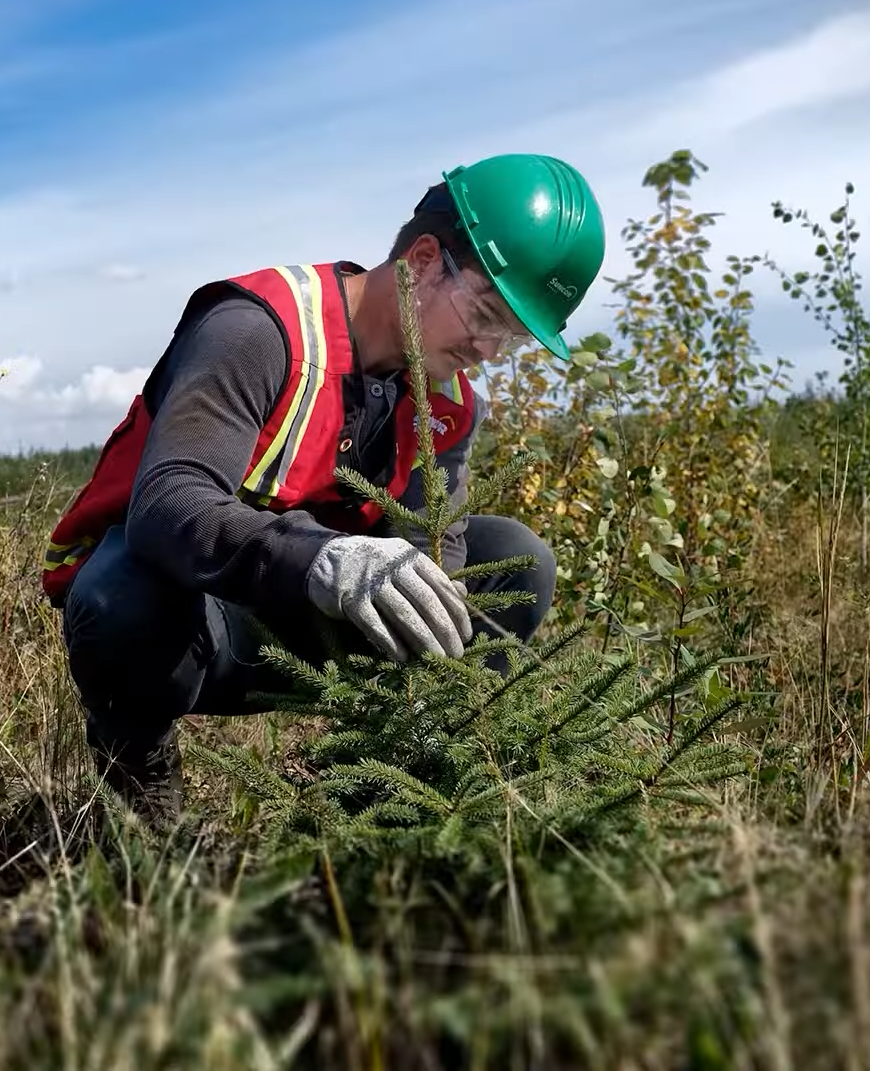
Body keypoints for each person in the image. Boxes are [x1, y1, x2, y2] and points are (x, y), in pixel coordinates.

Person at [38, 153, 607, 824]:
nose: (487, 350)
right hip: (199, 621)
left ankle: (373, 801)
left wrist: (426, 671)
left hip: (328, 625)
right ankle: (140, 780)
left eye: (509, 338)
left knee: (516, 560)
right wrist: (324, 557)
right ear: (423, 260)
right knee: (121, 595)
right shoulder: (259, 330)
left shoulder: (447, 400)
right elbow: (169, 506)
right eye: (486, 314)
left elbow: (440, 548)